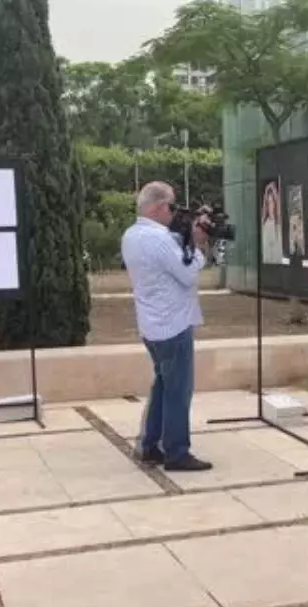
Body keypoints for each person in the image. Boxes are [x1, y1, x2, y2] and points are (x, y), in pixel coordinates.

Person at [120, 182, 213, 472]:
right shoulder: (159, 240)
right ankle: (176, 452)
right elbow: (188, 274)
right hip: (173, 325)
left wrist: (184, 239)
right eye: (172, 206)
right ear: (158, 207)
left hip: (152, 325)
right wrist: (196, 244)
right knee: (178, 392)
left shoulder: (132, 235)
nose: (174, 213)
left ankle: (150, 445)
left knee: (162, 385)